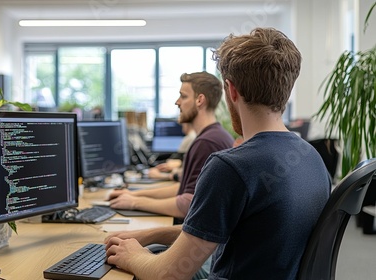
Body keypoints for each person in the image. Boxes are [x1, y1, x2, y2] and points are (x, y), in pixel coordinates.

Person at [105, 27, 332, 280]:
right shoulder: (312, 157)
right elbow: (214, 233)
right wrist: (151, 234)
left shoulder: (231, 167)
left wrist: (132, 255)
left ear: (231, 90)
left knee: (123, 268)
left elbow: (167, 275)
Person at [108, 71, 234, 220]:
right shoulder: (213, 136)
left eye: (183, 96)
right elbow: (182, 190)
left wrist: (135, 202)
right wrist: (133, 194)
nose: (177, 102)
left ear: (200, 100)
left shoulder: (207, 143)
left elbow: (187, 205)